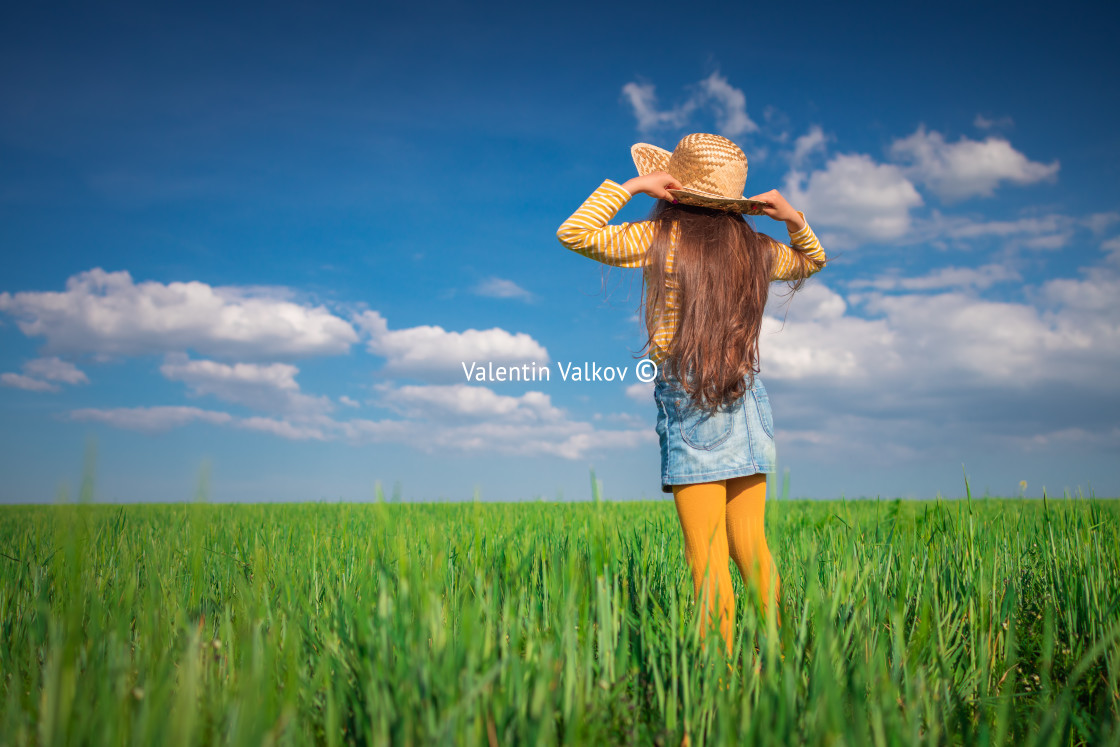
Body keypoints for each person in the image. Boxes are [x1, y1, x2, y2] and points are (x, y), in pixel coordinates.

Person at [555, 132, 827, 658]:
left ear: (673, 190)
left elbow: (576, 233)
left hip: (689, 393)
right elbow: (811, 261)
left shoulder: (659, 241)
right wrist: (793, 217)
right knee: (752, 545)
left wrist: (632, 186)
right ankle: (785, 666)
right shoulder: (758, 250)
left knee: (706, 556)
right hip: (746, 393)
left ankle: (717, 692)